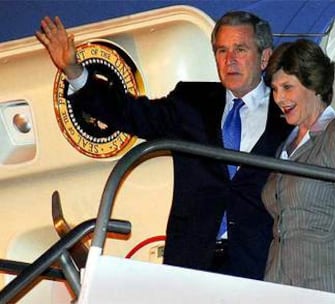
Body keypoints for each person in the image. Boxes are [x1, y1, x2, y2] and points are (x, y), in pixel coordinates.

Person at [36, 12, 292, 280]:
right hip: (191, 262)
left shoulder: (288, 114)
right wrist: (74, 71)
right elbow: (130, 113)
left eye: (240, 49)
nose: (230, 60)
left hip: (260, 267)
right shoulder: (192, 102)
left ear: (264, 58)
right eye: (221, 50)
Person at [261, 39, 335, 294]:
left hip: (323, 287)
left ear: (314, 85)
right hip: (277, 285)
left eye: (287, 87)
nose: (279, 98)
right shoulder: (285, 145)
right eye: (275, 89)